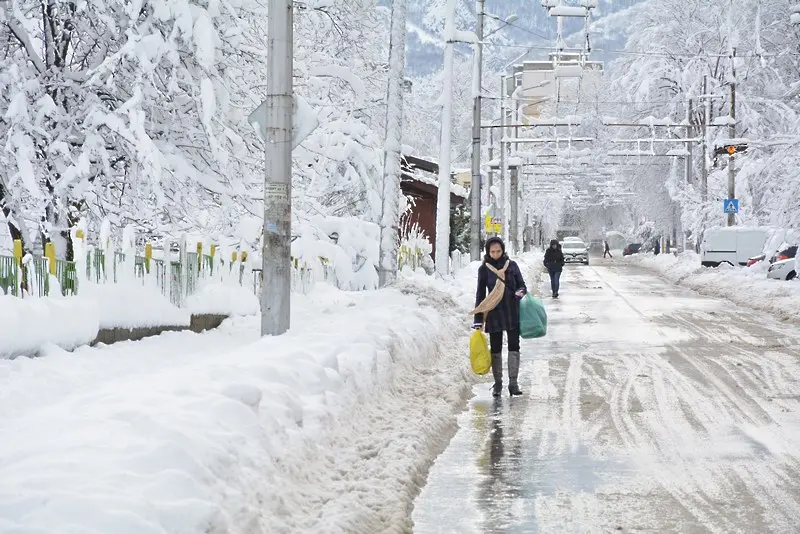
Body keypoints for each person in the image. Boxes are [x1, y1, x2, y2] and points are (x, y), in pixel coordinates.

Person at [472, 237, 527, 397]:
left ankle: (513, 383)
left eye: (498, 251)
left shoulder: (512, 266)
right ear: (488, 252)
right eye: (492, 251)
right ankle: (498, 383)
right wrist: (478, 320)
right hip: (493, 312)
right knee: (495, 348)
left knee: (514, 346)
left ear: (503, 250)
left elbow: (522, 285)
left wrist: (519, 293)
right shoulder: (484, 270)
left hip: (511, 311)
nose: (495, 254)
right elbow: (480, 295)